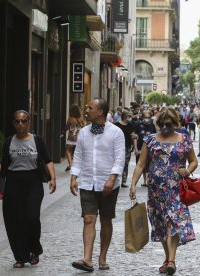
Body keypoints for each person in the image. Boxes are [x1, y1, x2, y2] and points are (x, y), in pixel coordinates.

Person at [129, 107, 198, 275]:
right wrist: (133, 184)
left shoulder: (183, 139)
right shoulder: (150, 140)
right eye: (162, 124)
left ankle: (172, 260)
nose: (165, 127)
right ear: (158, 124)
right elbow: (140, 164)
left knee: (172, 222)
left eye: (169, 124)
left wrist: (188, 171)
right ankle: (168, 259)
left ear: (175, 123)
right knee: (160, 225)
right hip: (156, 191)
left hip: (176, 189)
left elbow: (194, 161)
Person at [0, 110, 57, 268]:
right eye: (17, 121)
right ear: (13, 124)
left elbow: (48, 160)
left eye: (23, 121)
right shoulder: (9, 142)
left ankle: (34, 249)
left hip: (33, 181)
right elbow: (4, 166)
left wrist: (53, 178)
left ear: (29, 122)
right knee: (14, 220)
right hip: (13, 182)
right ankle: (20, 257)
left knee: (31, 217)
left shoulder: (37, 140)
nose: (20, 124)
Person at [70, 98, 125, 272]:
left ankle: (102, 257)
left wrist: (111, 178)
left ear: (100, 112)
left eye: (90, 108)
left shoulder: (116, 132)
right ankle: (87, 258)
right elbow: (78, 155)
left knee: (106, 219)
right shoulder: (84, 132)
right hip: (87, 182)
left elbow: (120, 158)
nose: (87, 110)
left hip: (108, 184)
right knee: (88, 219)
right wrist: (73, 176)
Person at [134, 110, 157, 186]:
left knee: (149, 165)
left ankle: (148, 180)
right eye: (145, 117)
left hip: (150, 149)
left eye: (148, 117)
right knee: (141, 165)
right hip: (140, 148)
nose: (147, 119)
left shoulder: (152, 126)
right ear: (143, 117)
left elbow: (155, 137)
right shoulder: (138, 125)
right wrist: (136, 149)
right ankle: (144, 181)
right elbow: (135, 137)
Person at [115, 110, 137, 188]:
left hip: (127, 147)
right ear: (124, 116)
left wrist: (135, 148)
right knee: (117, 163)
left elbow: (133, 136)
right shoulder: (117, 125)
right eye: (128, 116)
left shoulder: (130, 125)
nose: (130, 117)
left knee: (126, 164)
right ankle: (115, 179)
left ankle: (123, 181)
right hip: (118, 147)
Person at [64, 104, 85, 172]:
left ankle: (70, 164)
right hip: (79, 137)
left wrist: (63, 131)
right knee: (78, 152)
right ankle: (78, 165)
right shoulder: (81, 118)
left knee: (67, 150)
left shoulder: (70, 118)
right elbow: (84, 127)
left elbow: (67, 127)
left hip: (71, 137)